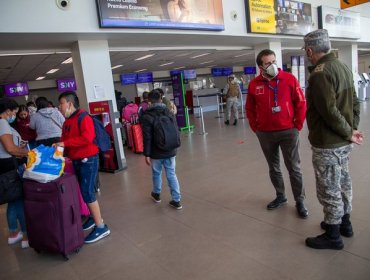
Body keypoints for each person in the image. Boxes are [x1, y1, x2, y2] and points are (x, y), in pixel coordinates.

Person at [303, 29, 363, 250]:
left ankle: (333, 234)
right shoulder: (343, 67)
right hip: (344, 143)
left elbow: (329, 112)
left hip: (328, 143)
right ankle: (344, 223)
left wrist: (347, 132)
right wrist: (352, 130)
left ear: (310, 50)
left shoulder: (320, 73)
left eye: (306, 52)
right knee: (343, 182)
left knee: (328, 187)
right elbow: (355, 102)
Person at [246, 49, 308, 218]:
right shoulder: (254, 84)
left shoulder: (289, 79)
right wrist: (256, 128)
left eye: (274, 61)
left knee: (294, 167)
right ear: (260, 66)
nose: (273, 65)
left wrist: (297, 126)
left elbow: (301, 102)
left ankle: (300, 201)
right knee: (273, 167)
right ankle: (280, 196)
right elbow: (250, 109)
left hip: (289, 131)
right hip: (265, 133)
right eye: (268, 63)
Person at [54, 91, 110, 244]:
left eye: (61, 103)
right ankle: (93, 218)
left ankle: (101, 226)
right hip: (76, 160)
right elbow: (64, 140)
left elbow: (87, 138)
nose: (59, 107)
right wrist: (58, 148)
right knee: (85, 191)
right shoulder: (67, 122)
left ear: (70, 104)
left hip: (88, 160)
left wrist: (65, 144)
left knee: (87, 192)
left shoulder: (83, 117)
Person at [140, 89, 182, 210]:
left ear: (149, 101)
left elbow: (147, 137)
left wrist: (146, 154)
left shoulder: (147, 116)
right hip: (170, 149)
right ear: (161, 99)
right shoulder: (169, 112)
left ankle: (157, 194)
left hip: (156, 152)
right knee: (171, 174)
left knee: (156, 173)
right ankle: (176, 200)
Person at [0, 98, 29, 249]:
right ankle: (25, 236)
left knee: (12, 201)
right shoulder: (2, 122)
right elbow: (10, 149)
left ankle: (13, 234)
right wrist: (28, 152)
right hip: (9, 168)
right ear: (7, 110)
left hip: (3, 167)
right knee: (19, 201)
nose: (15, 115)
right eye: (14, 112)